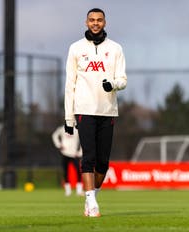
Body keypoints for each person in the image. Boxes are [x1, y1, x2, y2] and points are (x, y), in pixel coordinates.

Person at [64, 8, 127, 217]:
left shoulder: (116, 48)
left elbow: (123, 80)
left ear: (105, 23)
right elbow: (69, 84)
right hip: (84, 110)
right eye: (92, 20)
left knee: (103, 163)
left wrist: (113, 85)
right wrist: (68, 117)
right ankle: (91, 202)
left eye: (99, 20)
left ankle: (92, 196)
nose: (95, 23)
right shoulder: (75, 48)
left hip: (108, 111)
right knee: (88, 157)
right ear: (86, 22)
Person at [52, 125, 83, 196]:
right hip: (64, 153)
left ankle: (79, 190)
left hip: (74, 154)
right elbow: (54, 135)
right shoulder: (62, 128)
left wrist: (80, 152)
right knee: (65, 172)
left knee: (78, 170)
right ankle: (68, 190)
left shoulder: (77, 129)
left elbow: (83, 139)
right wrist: (59, 145)